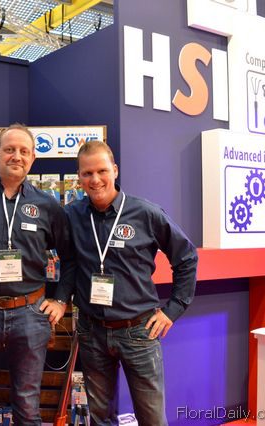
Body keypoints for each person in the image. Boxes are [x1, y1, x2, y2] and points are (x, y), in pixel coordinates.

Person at [54, 140, 198, 426]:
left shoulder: (145, 213)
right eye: (87, 173)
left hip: (138, 331)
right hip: (92, 331)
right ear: (79, 177)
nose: (95, 179)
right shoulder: (72, 215)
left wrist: (172, 310)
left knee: (152, 418)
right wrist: (59, 299)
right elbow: (69, 263)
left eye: (102, 171)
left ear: (115, 170)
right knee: (99, 418)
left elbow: (186, 258)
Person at [0, 124, 69, 425]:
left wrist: (60, 300)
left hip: (30, 312)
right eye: (9, 149)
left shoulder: (47, 205)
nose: (16, 156)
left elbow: (70, 257)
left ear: (32, 158)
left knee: (28, 408)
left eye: (23, 151)